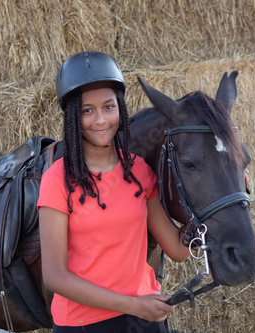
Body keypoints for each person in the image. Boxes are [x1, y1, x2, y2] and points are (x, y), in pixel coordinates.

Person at [37, 51, 191, 333]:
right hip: (83, 325)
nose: (101, 120)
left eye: (109, 107)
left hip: (144, 319)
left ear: (120, 108)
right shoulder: (57, 180)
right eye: (87, 110)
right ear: (73, 116)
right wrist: (133, 305)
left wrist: (222, 194)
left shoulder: (139, 170)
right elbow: (55, 277)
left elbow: (178, 249)